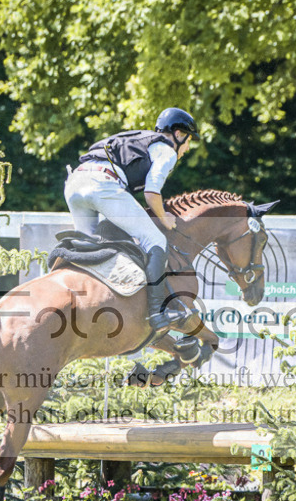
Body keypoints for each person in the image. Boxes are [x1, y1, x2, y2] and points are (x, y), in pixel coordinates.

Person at [64, 107, 199, 332]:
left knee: (90, 249)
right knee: (156, 241)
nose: (186, 149)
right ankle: (157, 313)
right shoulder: (167, 151)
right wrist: (164, 219)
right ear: (178, 134)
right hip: (103, 184)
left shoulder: (138, 139)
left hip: (74, 184)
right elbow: (152, 193)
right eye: (188, 141)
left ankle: (89, 304)